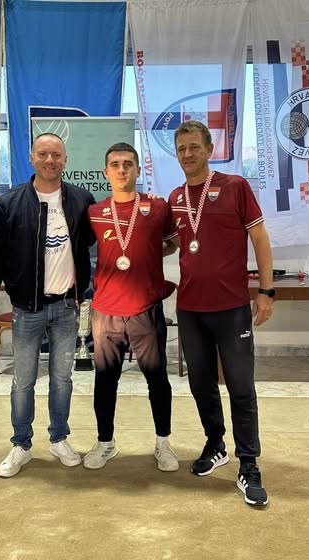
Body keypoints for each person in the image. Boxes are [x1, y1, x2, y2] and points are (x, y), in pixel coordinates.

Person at [168, 120, 273, 506]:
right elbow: (172, 244)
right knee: (201, 384)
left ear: (209, 150)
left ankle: (249, 464)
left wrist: (266, 292)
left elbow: (259, 238)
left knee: (241, 386)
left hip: (231, 308)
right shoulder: (175, 197)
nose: (188, 154)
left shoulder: (235, 187)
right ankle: (215, 444)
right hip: (190, 308)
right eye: (182, 149)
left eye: (194, 147)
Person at [0, 132, 95, 478]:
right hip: (26, 309)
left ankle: (59, 438)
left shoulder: (81, 200)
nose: (50, 160)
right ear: (31, 158)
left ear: (65, 161)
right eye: (43, 154)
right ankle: (21, 444)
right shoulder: (9, 203)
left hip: (66, 307)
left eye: (56, 155)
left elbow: (95, 245)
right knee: (23, 381)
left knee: (62, 379)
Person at [83, 142, 179, 472]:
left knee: (157, 380)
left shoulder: (158, 207)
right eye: (115, 164)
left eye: (128, 163)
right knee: (105, 381)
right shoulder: (95, 212)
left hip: (145, 308)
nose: (121, 169)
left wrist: (148, 252)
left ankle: (163, 444)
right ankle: (105, 443)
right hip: (106, 311)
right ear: (106, 172)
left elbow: (174, 242)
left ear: (138, 170)